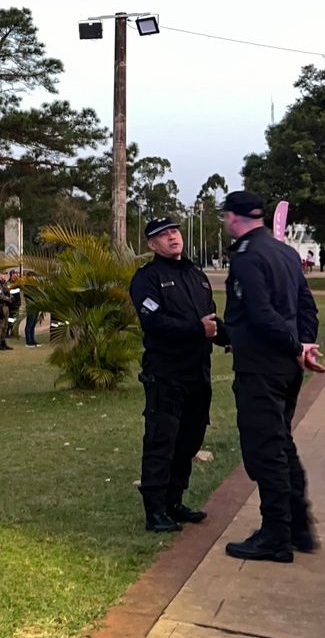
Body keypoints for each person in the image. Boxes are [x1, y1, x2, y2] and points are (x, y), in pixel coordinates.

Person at [221, 190, 322, 562]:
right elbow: (306, 306)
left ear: (233, 217)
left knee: (266, 451)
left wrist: (295, 346)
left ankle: (276, 535)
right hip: (286, 370)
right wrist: (304, 344)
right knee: (282, 444)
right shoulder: (285, 252)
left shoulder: (247, 257)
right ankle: (299, 528)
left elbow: (260, 314)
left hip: (261, 368)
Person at [129, 217, 223, 533]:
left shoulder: (197, 276)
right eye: (163, 235)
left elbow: (212, 322)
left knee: (189, 440)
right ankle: (155, 511)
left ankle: (174, 502)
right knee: (162, 441)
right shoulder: (147, 278)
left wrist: (235, 338)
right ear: (152, 244)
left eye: (174, 231)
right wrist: (197, 329)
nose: (172, 237)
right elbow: (154, 321)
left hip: (198, 374)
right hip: (167, 374)